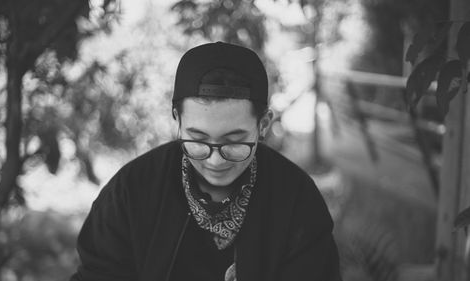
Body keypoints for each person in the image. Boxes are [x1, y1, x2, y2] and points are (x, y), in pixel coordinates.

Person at [70, 41, 341, 281]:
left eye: (234, 142)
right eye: (197, 140)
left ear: (263, 124)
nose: (214, 160)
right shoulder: (132, 191)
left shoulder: (296, 199)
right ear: (177, 118)